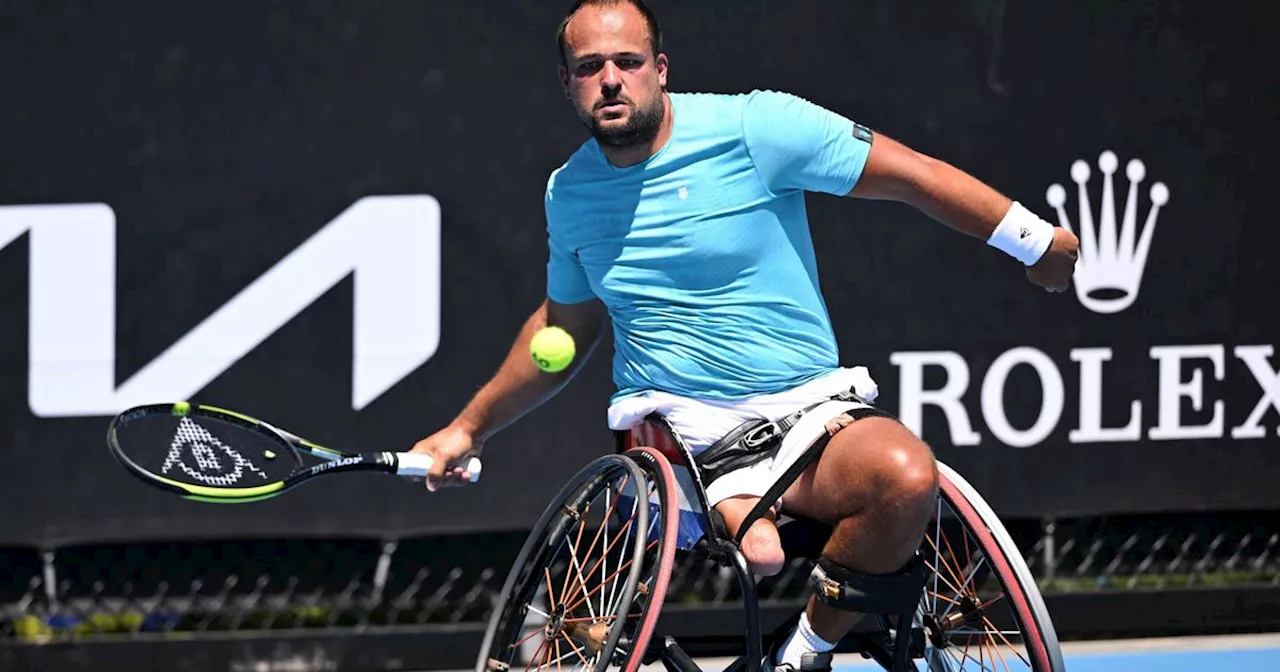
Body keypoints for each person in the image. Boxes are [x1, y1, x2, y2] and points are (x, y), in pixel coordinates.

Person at [410, 0, 1080, 670]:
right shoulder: (570, 192)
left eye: (628, 62)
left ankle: (804, 652)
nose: (610, 79)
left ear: (660, 69)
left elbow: (915, 177)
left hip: (811, 408)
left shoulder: (758, 127)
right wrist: (468, 427)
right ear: (568, 82)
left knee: (906, 478)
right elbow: (565, 327)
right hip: (679, 429)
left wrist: (1035, 243)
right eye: (590, 67)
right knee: (757, 549)